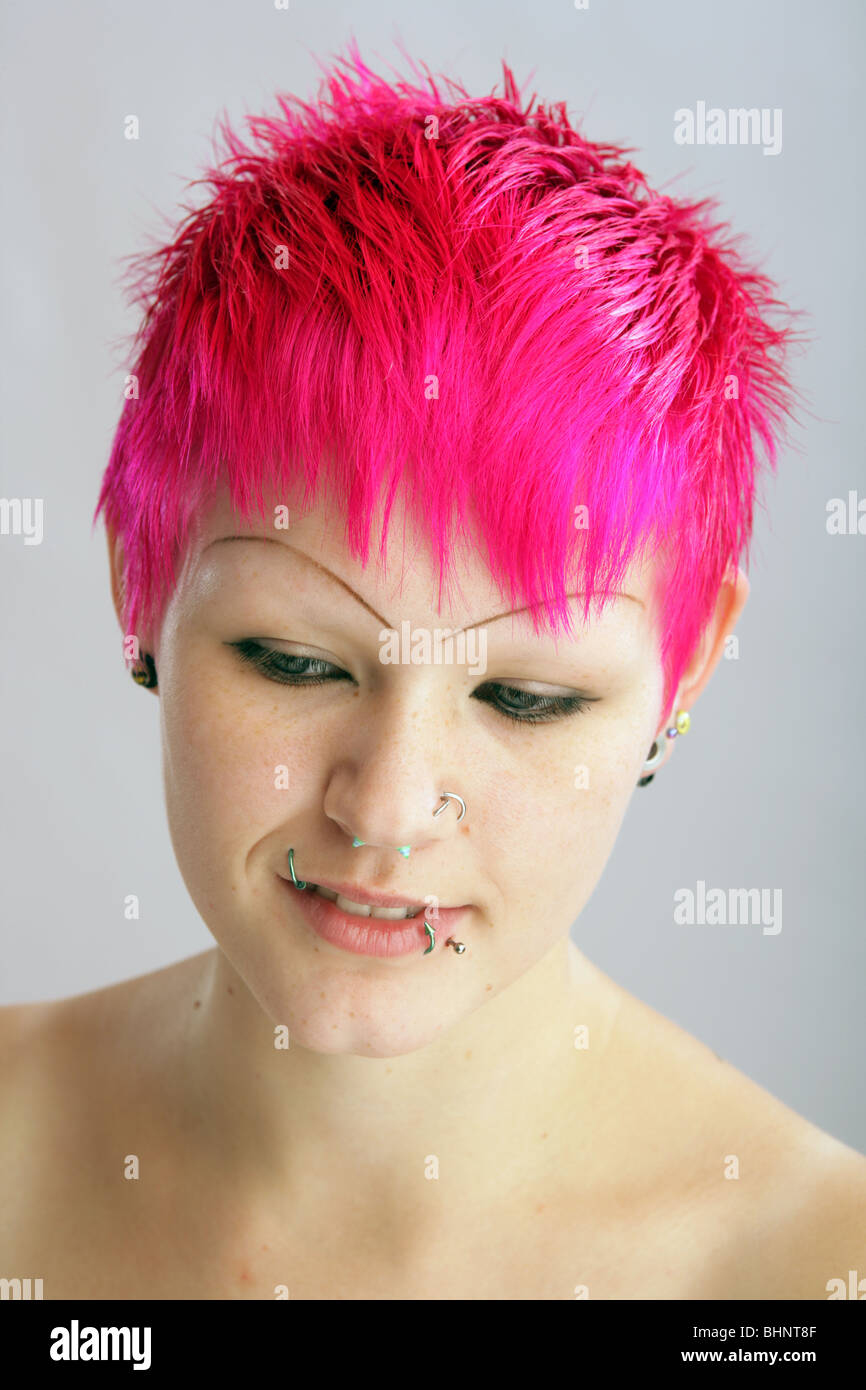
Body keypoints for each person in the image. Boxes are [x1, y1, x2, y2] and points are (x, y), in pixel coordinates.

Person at [2, 43, 864, 1301]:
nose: (388, 809)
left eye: (525, 697)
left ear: (687, 667)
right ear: (140, 586)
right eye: (294, 661)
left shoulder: (805, 1278)